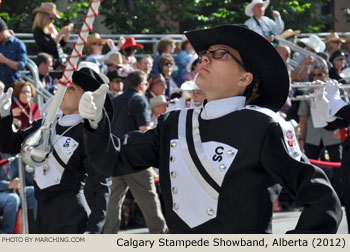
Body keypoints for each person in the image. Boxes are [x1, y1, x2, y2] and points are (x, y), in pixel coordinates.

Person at [79, 24, 342, 233]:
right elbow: (111, 160)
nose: (205, 58)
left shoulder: (264, 126)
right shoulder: (173, 123)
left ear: (244, 78)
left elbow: (322, 200)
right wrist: (96, 122)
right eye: (206, 53)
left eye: (220, 54)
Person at [0, 66, 111, 234]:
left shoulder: (88, 133)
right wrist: (3, 116)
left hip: (73, 219)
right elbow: (10, 144)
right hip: (42, 215)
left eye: (71, 88)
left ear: (87, 98)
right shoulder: (45, 125)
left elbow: (101, 184)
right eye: (63, 86)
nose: (62, 91)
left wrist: (94, 229)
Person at [101, 70, 167, 234]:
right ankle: (161, 235)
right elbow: (145, 130)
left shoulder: (115, 101)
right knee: (148, 198)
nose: (146, 86)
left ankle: (108, 236)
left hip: (115, 156)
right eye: (146, 83)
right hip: (135, 158)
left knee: (114, 200)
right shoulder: (140, 100)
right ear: (140, 85)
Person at [0, 152, 37, 234]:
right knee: (12, 199)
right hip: (4, 192)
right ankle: (6, 235)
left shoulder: (15, 155)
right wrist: (8, 185)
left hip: (13, 190)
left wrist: (29, 162)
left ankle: (39, 229)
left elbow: (28, 179)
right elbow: (10, 184)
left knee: (34, 192)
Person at [32, 2, 73, 70]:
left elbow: (62, 44)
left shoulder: (51, 28)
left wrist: (68, 32)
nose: (53, 21)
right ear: (43, 18)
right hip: (48, 64)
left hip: (59, 61)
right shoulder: (38, 31)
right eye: (51, 18)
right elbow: (50, 46)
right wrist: (61, 33)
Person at [0, 18, 27, 88]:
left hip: (13, 85)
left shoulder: (18, 44)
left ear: (2, 31)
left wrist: (4, 60)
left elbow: (21, 65)